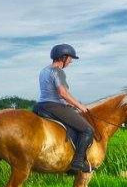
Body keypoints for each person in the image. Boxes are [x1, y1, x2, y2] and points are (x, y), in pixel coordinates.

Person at [32, 44, 94, 173]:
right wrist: (80, 106)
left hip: (40, 105)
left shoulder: (44, 70)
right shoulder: (58, 71)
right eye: (70, 58)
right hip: (54, 106)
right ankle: (77, 163)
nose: (71, 61)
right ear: (63, 57)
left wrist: (70, 104)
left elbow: (53, 92)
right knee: (87, 130)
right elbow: (62, 93)